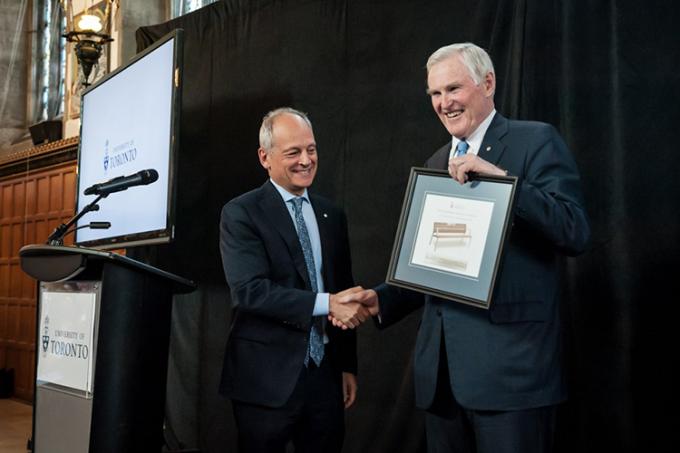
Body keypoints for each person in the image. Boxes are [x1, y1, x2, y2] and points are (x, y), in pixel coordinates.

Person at [336, 43, 591, 453]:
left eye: (453, 88)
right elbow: (434, 267)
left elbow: (574, 231)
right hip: (442, 380)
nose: (443, 103)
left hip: (512, 378)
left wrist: (502, 181)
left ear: (488, 83)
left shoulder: (535, 141)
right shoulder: (436, 161)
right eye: (435, 94)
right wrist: (379, 300)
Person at [219, 107, 369, 453]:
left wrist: (346, 365)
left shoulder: (332, 214)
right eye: (294, 152)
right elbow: (249, 292)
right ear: (265, 157)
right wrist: (326, 303)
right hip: (265, 379)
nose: (306, 160)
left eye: (311, 149)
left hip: (324, 376)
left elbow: (342, 287)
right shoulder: (241, 213)